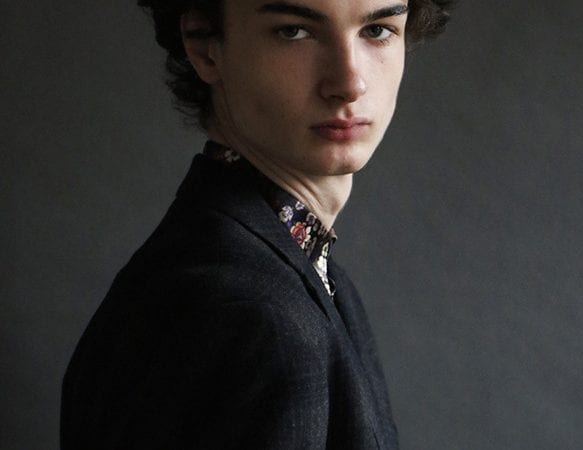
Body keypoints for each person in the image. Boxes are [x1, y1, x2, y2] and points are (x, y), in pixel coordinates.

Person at [61, 0, 454, 448]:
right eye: (293, 31)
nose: (349, 83)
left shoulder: (283, 278)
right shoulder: (258, 319)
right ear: (204, 46)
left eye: (378, 30)